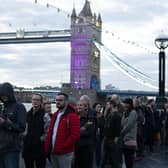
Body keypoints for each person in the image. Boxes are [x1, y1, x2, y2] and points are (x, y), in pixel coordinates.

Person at [45, 92, 80, 168]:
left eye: (60, 100)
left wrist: (63, 146)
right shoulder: (55, 115)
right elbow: (51, 132)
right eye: (56, 100)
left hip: (64, 153)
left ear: (66, 102)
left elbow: (75, 135)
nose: (57, 102)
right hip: (53, 151)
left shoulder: (72, 116)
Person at [0, 82, 26, 168]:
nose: (3, 97)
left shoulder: (19, 107)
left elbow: (21, 127)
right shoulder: (2, 108)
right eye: (1, 95)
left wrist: (4, 123)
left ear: (10, 94)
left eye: (4, 95)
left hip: (11, 149)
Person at [22, 93, 46, 168]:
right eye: (34, 99)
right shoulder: (27, 114)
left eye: (37, 100)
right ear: (31, 101)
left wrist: (41, 139)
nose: (35, 101)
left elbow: (48, 131)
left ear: (41, 102)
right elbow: (24, 129)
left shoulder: (45, 115)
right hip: (27, 147)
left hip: (39, 148)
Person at [74, 99, 95, 168]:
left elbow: (89, 132)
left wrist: (76, 132)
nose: (78, 107)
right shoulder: (74, 117)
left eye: (80, 105)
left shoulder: (90, 118)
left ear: (86, 107)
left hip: (86, 148)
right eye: (77, 105)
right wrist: (82, 129)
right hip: (76, 147)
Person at [120, 98, 137, 168]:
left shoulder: (133, 112)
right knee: (125, 161)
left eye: (124, 103)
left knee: (129, 162)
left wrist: (120, 134)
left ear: (129, 104)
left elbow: (128, 126)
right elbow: (122, 124)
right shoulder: (125, 113)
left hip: (130, 139)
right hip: (124, 140)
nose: (123, 104)